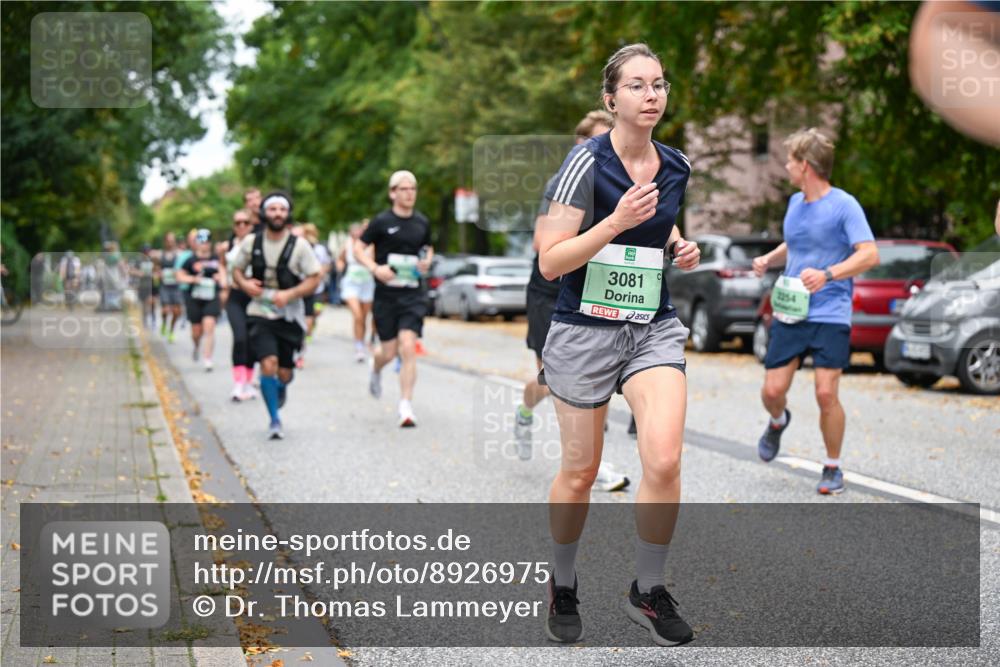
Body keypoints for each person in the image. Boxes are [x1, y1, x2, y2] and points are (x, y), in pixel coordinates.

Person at [536, 43, 700, 646]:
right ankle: (562, 581)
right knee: (580, 472)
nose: (651, 95)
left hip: (650, 327)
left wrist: (678, 245)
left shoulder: (676, 164)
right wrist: (614, 223)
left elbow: (659, 223)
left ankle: (648, 590)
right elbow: (551, 261)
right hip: (583, 330)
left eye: (658, 84)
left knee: (663, 459)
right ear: (611, 100)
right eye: (636, 86)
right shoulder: (585, 164)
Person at [752, 128, 879, 495]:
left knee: (826, 393)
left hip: (830, 311)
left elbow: (869, 253)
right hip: (792, 310)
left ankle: (833, 467)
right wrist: (769, 258)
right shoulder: (795, 203)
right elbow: (796, 245)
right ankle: (778, 421)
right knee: (772, 390)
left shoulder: (844, 204)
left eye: (791, 161)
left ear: (805, 166)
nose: (787, 167)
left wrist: (828, 274)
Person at [514, 110, 630, 493]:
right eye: (599, 142)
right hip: (550, 291)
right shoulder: (564, 180)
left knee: (599, 377)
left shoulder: (616, 181)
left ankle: (592, 464)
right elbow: (540, 244)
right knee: (551, 381)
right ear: (581, 145)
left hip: (591, 290)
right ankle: (526, 408)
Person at [231, 192, 321, 440]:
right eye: (272, 209)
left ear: (288, 214)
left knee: (284, 372)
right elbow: (236, 270)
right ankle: (274, 419)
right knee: (267, 363)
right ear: (264, 213)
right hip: (260, 311)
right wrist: (246, 285)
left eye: (282, 209)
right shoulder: (251, 243)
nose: (277, 214)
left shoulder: (299, 246)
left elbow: (315, 278)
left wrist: (291, 293)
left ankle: (280, 387)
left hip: (290, 315)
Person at [356, 171, 434, 427]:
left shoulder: (422, 221)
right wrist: (375, 268)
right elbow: (359, 248)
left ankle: (405, 406)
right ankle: (376, 368)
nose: (409, 193)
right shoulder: (381, 221)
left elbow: (428, 247)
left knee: (408, 345)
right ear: (392, 193)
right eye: (403, 189)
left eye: (413, 188)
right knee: (388, 352)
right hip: (386, 295)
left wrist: (426, 262)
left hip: (412, 294)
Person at [177, 229, 226, 371]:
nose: (204, 245)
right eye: (201, 241)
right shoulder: (190, 259)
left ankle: (207, 358)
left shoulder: (216, 258)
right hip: (194, 298)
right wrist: (193, 279)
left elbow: (223, 273)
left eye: (206, 241)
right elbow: (180, 276)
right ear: (196, 243)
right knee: (197, 330)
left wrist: (220, 279)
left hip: (211, 296)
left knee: (209, 326)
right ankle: (197, 345)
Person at [222, 210, 256, 401]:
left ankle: (249, 383)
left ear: (251, 225)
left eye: (245, 222)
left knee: (252, 340)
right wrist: (223, 279)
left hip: (253, 297)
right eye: (238, 223)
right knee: (240, 337)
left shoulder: (257, 244)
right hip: (235, 296)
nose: (241, 226)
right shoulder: (227, 245)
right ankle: (238, 383)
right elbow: (221, 265)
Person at [338, 221, 376, 362]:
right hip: (351, 283)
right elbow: (340, 260)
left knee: (365, 317)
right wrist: (341, 267)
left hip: (366, 283)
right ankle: (358, 346)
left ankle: (362, 342)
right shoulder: (347, 244)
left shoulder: (371, 245)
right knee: (358, 315)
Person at [300, 223, 332, 364]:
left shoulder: (320, 248)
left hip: (317, 287)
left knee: (316, 311)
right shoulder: (300, 246)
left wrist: (320, 275)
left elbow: (326, 264)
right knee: (304, 318)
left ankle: (310, 327)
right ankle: (300, 350)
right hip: (301, 287)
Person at [158, 232, 183, 342]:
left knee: (177, 312)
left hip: (176, 286)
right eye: (168, 240)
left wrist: (178, 273)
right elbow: (156, 269)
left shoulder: (179, 255)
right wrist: (159, 273)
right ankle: (164, 323)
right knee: (165, 310)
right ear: (165, 242)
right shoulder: (160, 255)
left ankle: (171, 331)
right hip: (165, 286)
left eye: (172, 240)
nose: (170, 243)